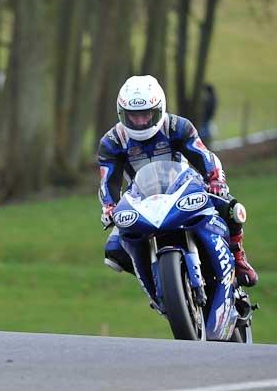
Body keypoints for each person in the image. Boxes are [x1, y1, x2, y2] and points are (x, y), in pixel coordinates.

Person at [98, 75, 258, 287]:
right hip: (140, 198)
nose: (139, 122)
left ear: (159, 108)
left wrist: (215, 179)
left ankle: (238, 257)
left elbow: (203, 155)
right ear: (121, 113)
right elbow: (107, 179)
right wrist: (109, 206)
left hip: (185, 188)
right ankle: (157, 281)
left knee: (232, 209)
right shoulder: (112, 142)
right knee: (114, 251)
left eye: (146, 115)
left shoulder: (178, 126)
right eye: (132, 116)